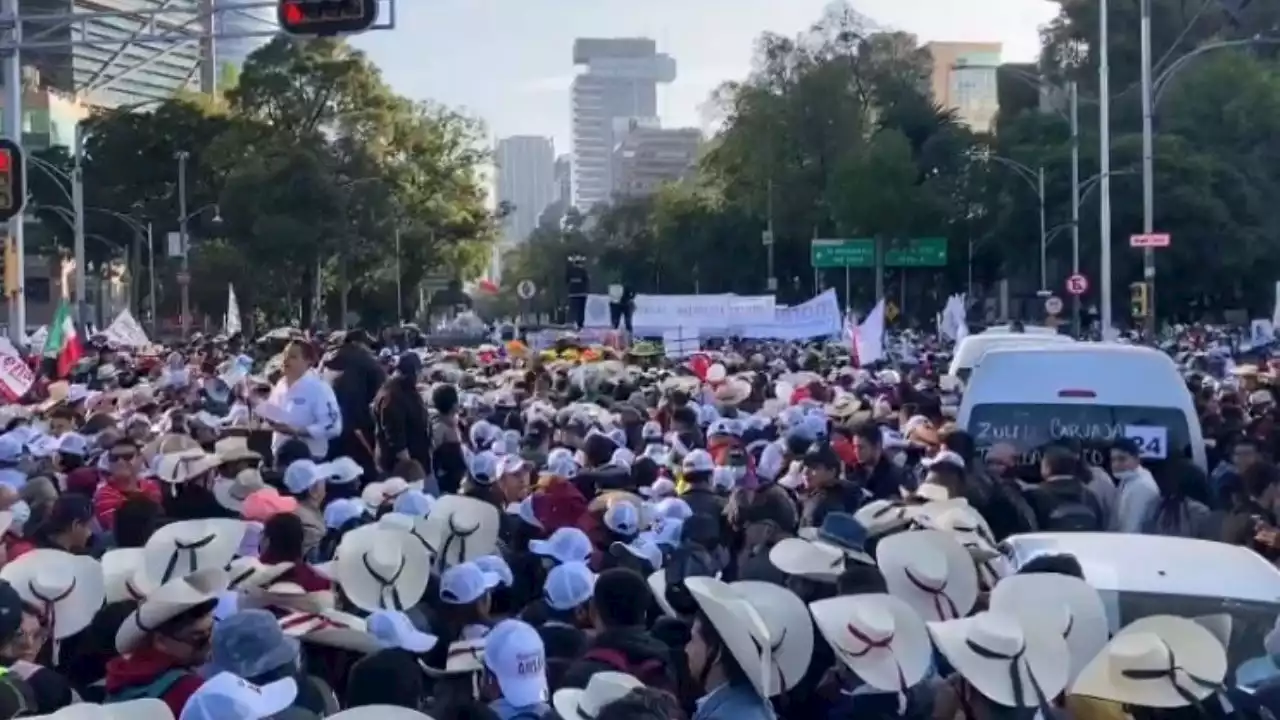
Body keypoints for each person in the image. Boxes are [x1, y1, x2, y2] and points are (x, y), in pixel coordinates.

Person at [264, 340, 343, 461]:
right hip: (280, 457)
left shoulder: (319, 388)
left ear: (308, 361)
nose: (285, 361)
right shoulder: (281, 384)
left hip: (310, 459)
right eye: (284, 356)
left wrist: (297, 431)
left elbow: (333, 427)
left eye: (293, 357)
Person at [373, 353, 432, 476]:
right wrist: (411, 470)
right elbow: (395, 439)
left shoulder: (405, 389)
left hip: (415, 459)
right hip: (400, 468)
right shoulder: (392, 396)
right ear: (413, 372)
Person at [93, 437, 162, 532]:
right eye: (114, 458)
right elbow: (123, 529)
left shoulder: (152, 486)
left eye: (127, 456)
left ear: (140, 459)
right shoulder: (103, 494)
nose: (120, 462)